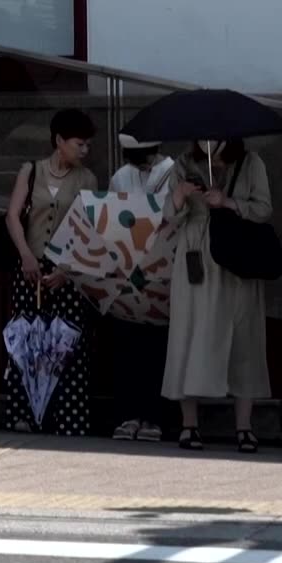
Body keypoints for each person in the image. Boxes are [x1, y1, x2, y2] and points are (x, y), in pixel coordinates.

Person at [165, 138, 273, 454]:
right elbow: (168, 218)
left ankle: (244, 426)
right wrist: (180, 195)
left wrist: (228, 203)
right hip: (196, 253)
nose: (208, 137)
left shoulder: (251, 163)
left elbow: (265, 209)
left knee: (243, 335)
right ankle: (189, 424)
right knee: (190, 331)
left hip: (238, 254)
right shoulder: (182, 164)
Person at [2, 108, 98, 436]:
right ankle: (23, 414)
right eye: (79, 144)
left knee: (66, 345)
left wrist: (67, 270)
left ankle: (67, 419)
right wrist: (26, 255)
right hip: (30, 268)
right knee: (26, 342)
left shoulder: (87, 179)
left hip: (66, 273)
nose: (84, 151)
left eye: (87, 145)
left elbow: (88, 230)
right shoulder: (31, 171)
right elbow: (13, 216)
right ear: (59, 141)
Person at [105, 134, 179, 442]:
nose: (139, 162)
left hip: (163, 271)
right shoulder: (121, 176)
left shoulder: (174, 172)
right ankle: (128, 415)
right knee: (127, 348)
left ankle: (154, 418)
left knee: (158, 349)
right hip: (127, 270)